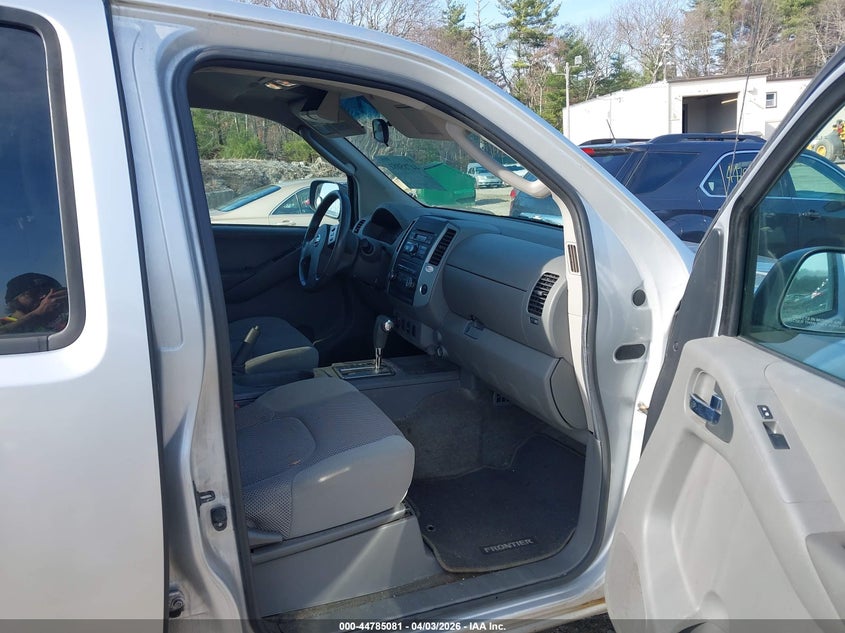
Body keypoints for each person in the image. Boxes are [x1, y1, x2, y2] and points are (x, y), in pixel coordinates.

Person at [0, 273, 68, 334]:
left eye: (48, 292)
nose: (44, 296)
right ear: (14, 299)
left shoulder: (61, 321)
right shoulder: (4, 322)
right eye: (35, 292)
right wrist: (37, 314)